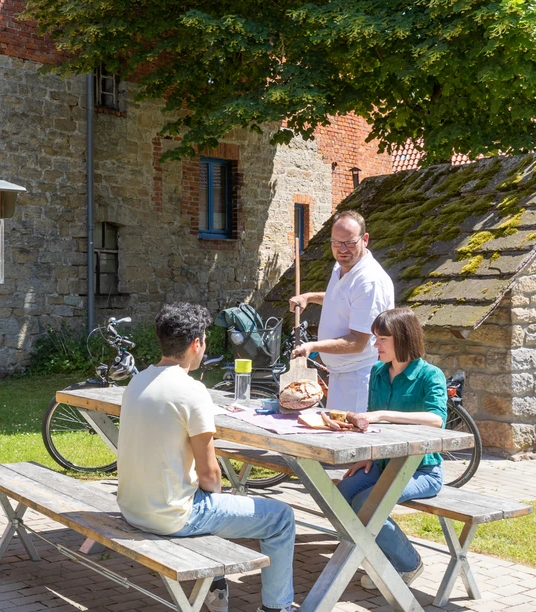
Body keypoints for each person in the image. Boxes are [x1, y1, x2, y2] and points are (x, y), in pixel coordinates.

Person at [117, 302, 298, 612]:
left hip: (132, 507)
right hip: (171, 516)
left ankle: (216, 587)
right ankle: (277, 607)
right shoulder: (191, 390)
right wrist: (217, 499)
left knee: (219, 503)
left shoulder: (137, 381)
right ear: (196, 343)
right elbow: (210, 474)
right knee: (281, 518)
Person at [325, 307, 448, 590]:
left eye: (382, 339)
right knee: (338, 495)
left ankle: (407, 563)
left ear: (403, 338)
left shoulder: (430, 375)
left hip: (422, 470)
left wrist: (381, 414)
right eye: (375, 338)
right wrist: (367, 455)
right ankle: (373, 557)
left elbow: (436, 419)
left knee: (367, 502)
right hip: (381, 464)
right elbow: (371, 423)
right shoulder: (378, 372)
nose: (375, 345)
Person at [288, 210, 395, 411]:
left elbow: (358, 342)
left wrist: (314, 347)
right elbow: (339, 299)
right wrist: (309, 297)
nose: (342, 249)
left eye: (349, 243)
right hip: (340, 375)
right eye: (336, 243)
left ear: (365, 239)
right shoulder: (341, 267)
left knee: (350, 439)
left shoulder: (369, 281)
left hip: (360, 378)